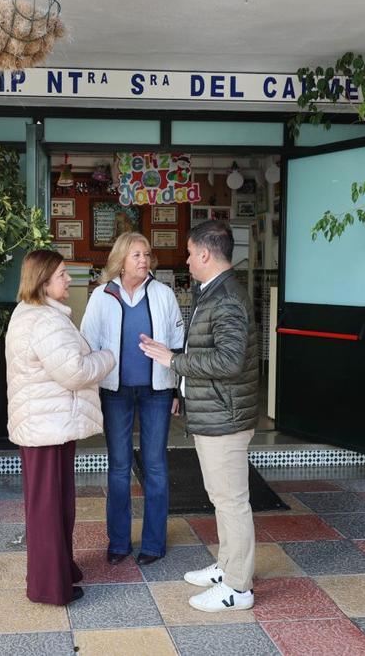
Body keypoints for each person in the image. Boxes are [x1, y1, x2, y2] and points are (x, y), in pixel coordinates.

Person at [139, 219, 259, 613]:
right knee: (221, 498)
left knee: (231, 501)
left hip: (224, 418)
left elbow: (228, 360)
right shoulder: (214, 291)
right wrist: (182, 389)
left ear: (205, 254)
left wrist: (174, 361)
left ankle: (238, 588)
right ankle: (227, 566)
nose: (187, 260)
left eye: (190, 253)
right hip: (214, 413)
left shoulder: (226, 298)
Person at [5, 249, 115, 605]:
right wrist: (109, 355)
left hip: (46, 425)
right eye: (63, 274)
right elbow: (75, 372)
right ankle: (50, 587)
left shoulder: (31, 313)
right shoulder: (44, 320)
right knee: (49, 510)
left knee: (51, 507)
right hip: (46, 428)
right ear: (43, 281)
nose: (69, 279)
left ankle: (59, 573)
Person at [80, 232, 184, 566]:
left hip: (157, 392)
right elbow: (87, 344)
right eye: (137, 254)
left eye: (147, 254)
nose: (144, 260)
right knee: (119, 467)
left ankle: (153, 543)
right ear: (121, 259)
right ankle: (119, 542)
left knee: (155, 466)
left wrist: (176, 388)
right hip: (116, 393)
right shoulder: (101, 295)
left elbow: (178, 344)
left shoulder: (164, 294)